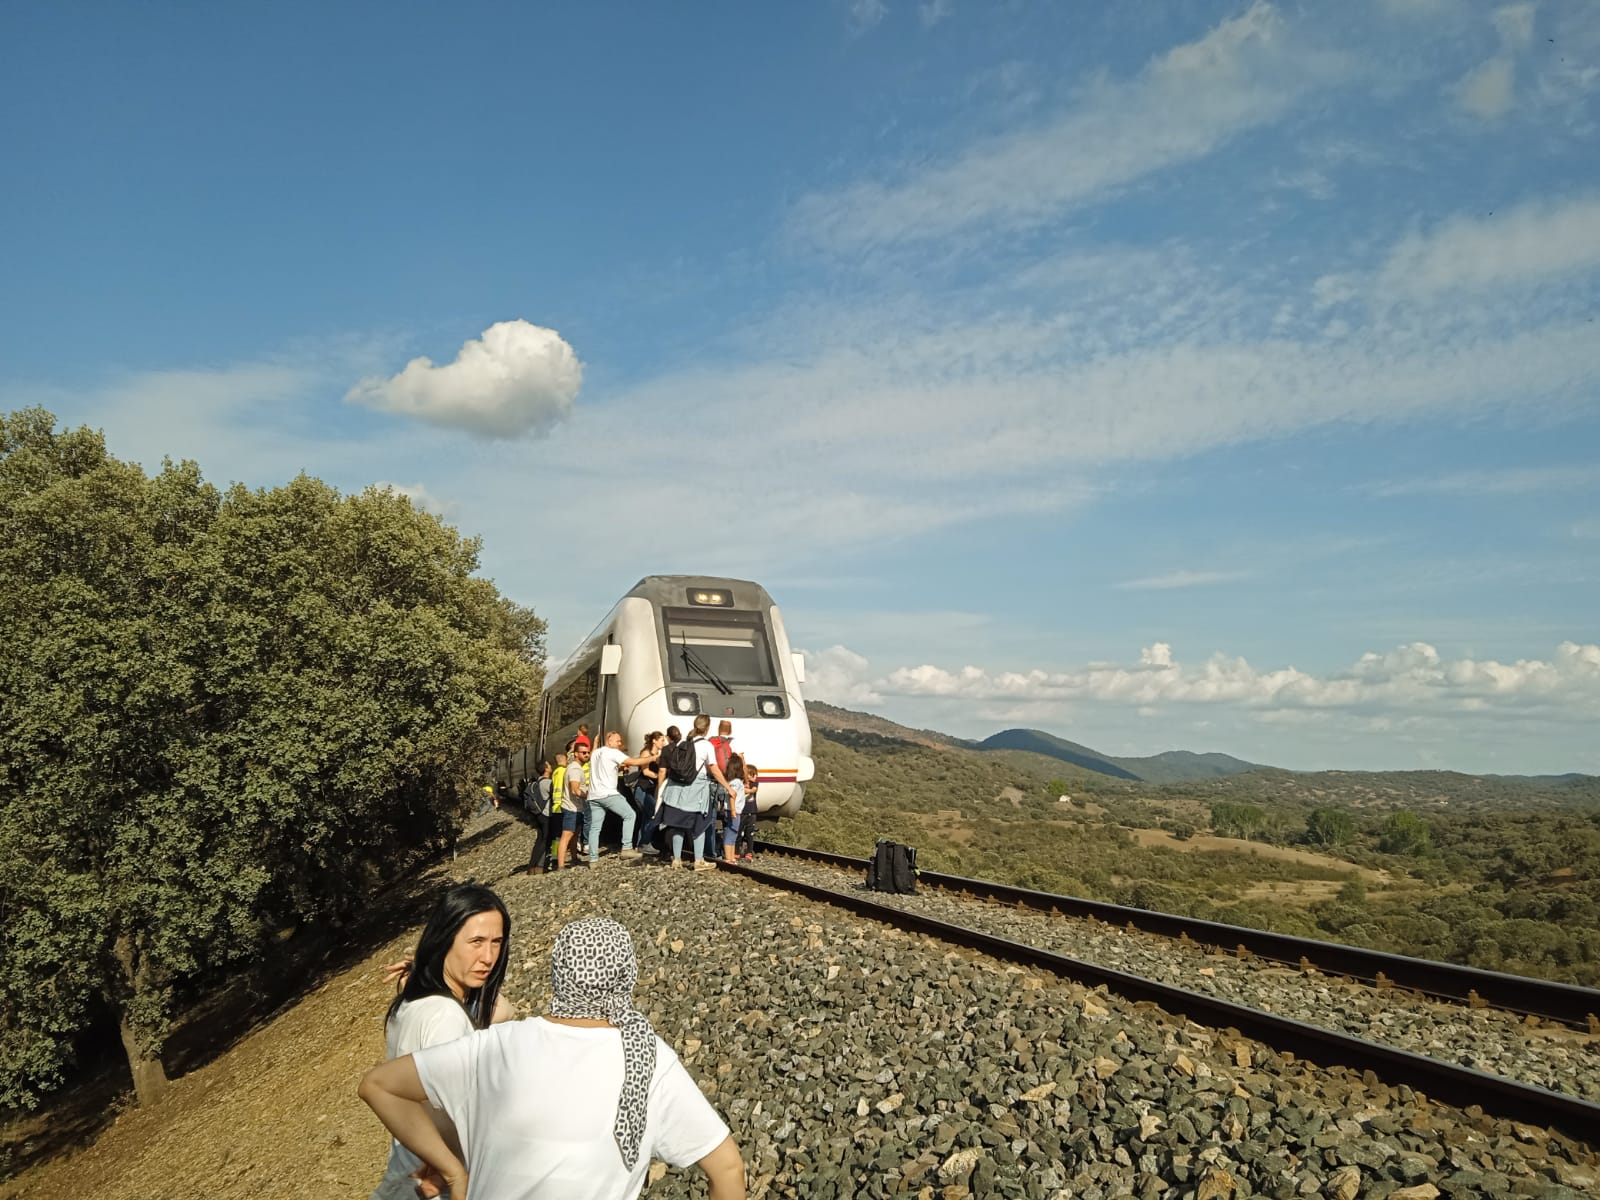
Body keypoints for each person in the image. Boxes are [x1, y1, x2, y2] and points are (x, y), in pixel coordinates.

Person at [360, 917, 746, 1200]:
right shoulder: (648, 1057)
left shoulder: (494, 1046)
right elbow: (728, 1168)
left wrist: (454, 1171)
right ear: (627, 973)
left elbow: (378, 1085)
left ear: (559, 971)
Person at [368, 884, 516, 1200]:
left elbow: (502, 1010)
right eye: (475, 942)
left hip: (406, 1179)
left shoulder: (413, 1003)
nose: (488, 957)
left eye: (496, 943)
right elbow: (454, 1121)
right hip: (434, 1187)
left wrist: (425, 965)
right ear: (444, 940)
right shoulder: (445, 1017)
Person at [656, 715, 735, 872]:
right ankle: (699, 860)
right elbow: (713, 768)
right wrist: (728, 787)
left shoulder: (682, 743)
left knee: (678, 824)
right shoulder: (706, 745)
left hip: (677, 789)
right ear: (707, 728)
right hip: (696, 789)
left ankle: (676, 859)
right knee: (700, 824)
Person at [586, 732, 656, 864]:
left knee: (595, 828)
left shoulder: (596, 753)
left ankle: (593, 859)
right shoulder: (613, 753)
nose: (620, 744)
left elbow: (596, 755)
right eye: (618, 741)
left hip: (593, 796)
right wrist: (653, 758)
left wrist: (595, 743)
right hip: (608, 794)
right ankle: (627, 848)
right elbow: (634, 762)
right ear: (609, 741)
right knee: (630, 815)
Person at [704, 722, 739, 862]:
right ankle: (727, 852)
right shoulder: (732, 743)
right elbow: (740, 760)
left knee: (710, 819)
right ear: (730, 730)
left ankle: (711, 851)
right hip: (727, 783)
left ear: (718, 729)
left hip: (711, 782)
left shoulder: (710, 742)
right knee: (728, 819)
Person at [557, 742, 590, 869]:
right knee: (567, 835)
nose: (587, 755)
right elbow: (575, 789)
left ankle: (574, 858)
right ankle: (561, 866)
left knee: (575, 834)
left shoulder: (575, 767)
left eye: (588, 752)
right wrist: (588, 795)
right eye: (584, 752)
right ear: (576, 754)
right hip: (571, 808)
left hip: (576, 807)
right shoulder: (575, 769)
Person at [524, 761, 555, 875]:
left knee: (540, 840)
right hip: (546, 814)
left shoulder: (538, 781)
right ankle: (534, 866)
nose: (551, 767)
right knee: (544, 841)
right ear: (546, 769)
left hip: (538, 814)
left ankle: (534, 867)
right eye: (550, 765)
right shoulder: (547, 783)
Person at [719, 755, 746, 865]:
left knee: (732, 834)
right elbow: (732, 796)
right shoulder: (736, 782)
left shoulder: (732, 781)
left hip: (732, 810)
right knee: (731, 833)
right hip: (733, 811)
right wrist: (734, 810)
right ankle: (728, 858)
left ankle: (731, 857)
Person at [736, 763, 759, 862]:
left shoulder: (754, 784)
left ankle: (749, 852)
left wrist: (745, 789)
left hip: (752, 811)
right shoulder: (740, 783)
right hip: (742, 811)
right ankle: (736, 851)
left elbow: (753, 790)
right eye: (752, 775)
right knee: (738, 832)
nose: (755, 777)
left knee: (750, 833)